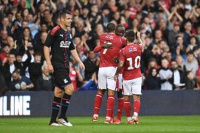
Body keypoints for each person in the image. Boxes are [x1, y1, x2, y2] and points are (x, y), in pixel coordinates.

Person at [43, 10, 85, 127]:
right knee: (70, 89)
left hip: (66, 66)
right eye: (68, 19)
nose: (71, 20)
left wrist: (79, 61)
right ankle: (62, 117)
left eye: (71, 19)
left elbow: (72, 49)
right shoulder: (55, 31)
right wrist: (49, 63)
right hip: (57, 65)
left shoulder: (68, 32)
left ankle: (52, 120)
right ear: (61, 19)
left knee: (59, 92)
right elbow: (46, 47)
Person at [92, 23, 125, 124]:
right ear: (115, 29)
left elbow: (95, 50)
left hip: (102, 68)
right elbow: (128, 42)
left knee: (100, 92)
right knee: (112, 94)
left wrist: (102, 45)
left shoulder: (102, 37)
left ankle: (95, 116)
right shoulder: (119, 39)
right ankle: (108, 118)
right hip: (113, 69)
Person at [114, 30, 144, 124]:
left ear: (126, 38)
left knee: (126, 98)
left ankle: (129, 119)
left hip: (127, 77)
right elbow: (142, 44)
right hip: (137, 76)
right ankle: (135, 115)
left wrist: (116, 73)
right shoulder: (138, 47)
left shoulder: (123, 50)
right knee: (136, 97)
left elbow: (121, 64)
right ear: (134, 38)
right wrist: (139, 37)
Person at [113, 25, 126, 124]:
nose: (121, 32)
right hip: (120, 71)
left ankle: (119, 117)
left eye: (123, 31)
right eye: (120, 30)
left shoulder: (123, 42)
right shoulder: (124, 42)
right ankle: (130, 118)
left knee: (120, 94)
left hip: (121, 72)